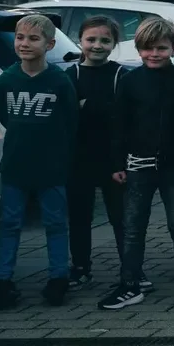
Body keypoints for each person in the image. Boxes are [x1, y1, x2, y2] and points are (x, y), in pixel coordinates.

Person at [100, 18, 174, 311]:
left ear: (173, 49)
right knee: (133, 228)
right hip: (137, 166)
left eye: (161, 48)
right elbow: (119, 125)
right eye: (147, 48)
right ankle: (130, 285)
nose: (154, 54)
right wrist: (116, 163)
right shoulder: (129, 81)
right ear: (138, 49)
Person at [0, 14, 77, 309]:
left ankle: (58, 278)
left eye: (33, 38)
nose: (24, 44)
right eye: (20, 37)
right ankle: (3, 280)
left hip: (51, 167)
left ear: (49, 44)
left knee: (55, 222)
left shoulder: (59, 81)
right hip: (15, 166)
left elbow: (70, 121)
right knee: (9, 223)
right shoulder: (7, 80)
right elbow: (5, 116)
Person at [66, 15, 126, 289]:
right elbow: (67, 114)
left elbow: (123, 114)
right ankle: (80, 266)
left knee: (120, 217)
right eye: (91, 39)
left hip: (115, 159)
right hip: (79, 159)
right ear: (80, 40)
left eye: (105, 40)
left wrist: (87, 105)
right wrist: (103, 107)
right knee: (79, 216)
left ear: (114, 43)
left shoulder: (121, 75)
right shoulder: (71, 75)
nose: (97, 45)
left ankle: (130, 266)